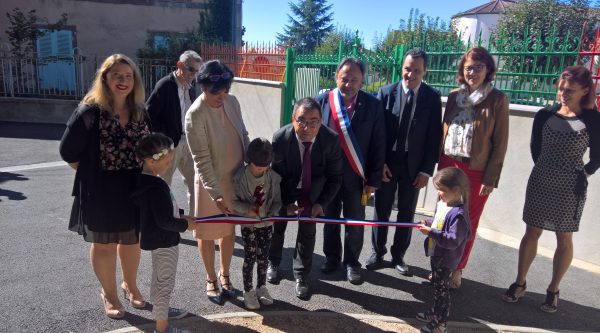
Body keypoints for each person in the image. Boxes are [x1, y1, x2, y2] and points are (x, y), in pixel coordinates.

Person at [502, 66, 600, 313]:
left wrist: (584, 173)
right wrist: (546, 168)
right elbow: (536, 147)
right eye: (560, 89)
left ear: (585, 90)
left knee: (564, 237)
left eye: (570, 91)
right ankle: (520, 282)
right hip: (541, 180)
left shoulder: (593, 119)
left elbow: (598, 156)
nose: (563, 94)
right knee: (531, 231)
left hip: (571, 187)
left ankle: (553, 289)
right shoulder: (545, 114)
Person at [59, 54, 149, 318]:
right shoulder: (89, 112)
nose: (123, 81)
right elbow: (68, 152)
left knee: (132, 241)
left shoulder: (140, 111)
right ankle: (109, 294)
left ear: (135, 81)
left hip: (133, 187)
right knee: (104, 245)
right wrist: (92, 172)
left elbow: (149, 147)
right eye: (117, 75)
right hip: (99, 189)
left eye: (128, 76)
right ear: (105, 78)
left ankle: (130, 285)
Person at [367, 48, 443, 276]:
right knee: (381, 209)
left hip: (413, 165)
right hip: (388, 162)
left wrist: (426, 171)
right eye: (407, 69)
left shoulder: (431, 97)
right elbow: (376, 132)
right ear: (402, 68)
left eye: (417, 71)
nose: (411, 75)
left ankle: (398, 256)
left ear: (425, 71)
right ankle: (377, 253)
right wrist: (379, 163)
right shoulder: (385, 92)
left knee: (407, 213)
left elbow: (434, 137)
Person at [438, 46, 509, 288]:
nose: (473, 72)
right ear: (462, 70)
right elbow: (444, 131)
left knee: (466, 221)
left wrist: (491, 178)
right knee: (444, 217)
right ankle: (440, 268)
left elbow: (500, 143)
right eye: (468, 67)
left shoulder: (497, 99)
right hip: (449, 164)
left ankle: (457, 269)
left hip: (476, 171)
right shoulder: (454, 96)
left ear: (488, 70)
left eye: (479, 67)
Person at [314, 57, 386, 284]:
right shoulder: (322, 102)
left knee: (355, 221)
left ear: (362, 81)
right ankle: (332, 258)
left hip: (357, 176)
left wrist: (373, 178)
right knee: (330, 219)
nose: (349, 84)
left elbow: (378, 143)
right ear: (337, 77)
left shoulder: (372, 106)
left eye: (354, 80)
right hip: (328, 175)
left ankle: (352, 263)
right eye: (345, 79)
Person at [185, 59, 250, 305]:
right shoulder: (195, 114)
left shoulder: (232, 102)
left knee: (228, 230)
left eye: (225, 90)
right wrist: (215, 193)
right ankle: (210, 279)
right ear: (202, 87)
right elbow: (200, 159)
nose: (221, 96)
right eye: (216, 91)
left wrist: (252, 168)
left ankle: (225, 275)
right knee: (207, 232)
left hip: (234, 178)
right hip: (210, 183)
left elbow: (243, 134)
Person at [267, 97, 343, 299]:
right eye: (301, 120)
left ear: (321, 122)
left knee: (307, 232)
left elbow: (335, 178)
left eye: (313, 121)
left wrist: (321, 204)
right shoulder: (281, 138)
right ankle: (273, 261)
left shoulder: (331, 140)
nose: (307, 127)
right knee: (277, 226)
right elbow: (276, 176)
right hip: (287, 187)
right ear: (293, 119)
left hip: (314, 191)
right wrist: (287, 202)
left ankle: (301, 275)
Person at [131, 133, 196, 333]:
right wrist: (185, 226)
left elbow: (160, 212)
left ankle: (161, 313)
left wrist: (183, 216)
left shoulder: (143, 181)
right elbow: (165, 220)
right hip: (164, 241)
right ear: (151, 161)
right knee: (165, 283)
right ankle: (162, 328)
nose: (169, 165)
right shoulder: (156, 186)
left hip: (154, 239)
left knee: (158, 280)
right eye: (167, 162)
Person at [146, 50, 203, 215]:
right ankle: (161, 221)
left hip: (188, 143)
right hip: (170, 146)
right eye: (191, 69)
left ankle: (195, 221)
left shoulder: (190, 88)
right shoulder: (165, 85)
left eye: (197, 71)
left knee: (195, 183)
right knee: (163, 185)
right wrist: (166, 138)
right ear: (179, 66)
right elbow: (149, 116)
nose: (194, 74)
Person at [417, 167, 471, 333]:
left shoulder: (459, 215)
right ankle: (435, 313)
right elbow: (438, 220)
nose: (439, 193)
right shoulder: (444, 204)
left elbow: (453, 240)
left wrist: (431, 232)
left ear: (455, 190)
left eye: (441, 190)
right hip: (437, 255)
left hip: (446, 260)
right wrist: (428, 222)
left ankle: (441, 323)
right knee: (438, 288)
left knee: (443, 293)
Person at [231, 138, 282, 310]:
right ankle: (248, 290)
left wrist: (273, 213)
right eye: (258, 167)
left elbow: (277, 201)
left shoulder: (273, 178)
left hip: (266, 225)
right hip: (249, 225)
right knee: (250, 257)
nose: (262, 170)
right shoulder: (239, 178)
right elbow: (233, 202)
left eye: (265, 166)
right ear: (249, 161)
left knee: (263, 257)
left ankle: (261, 287)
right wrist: (247, 208)